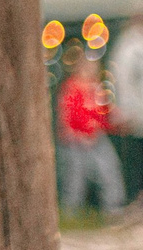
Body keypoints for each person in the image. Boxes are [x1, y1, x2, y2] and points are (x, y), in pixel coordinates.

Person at [60, 51, 126, 214]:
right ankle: (71, 211)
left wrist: (114, 119)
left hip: (96, 138)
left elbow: (104, 113)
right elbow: (67, 114)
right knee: (75, 178)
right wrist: (75, 132)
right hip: (77, 141)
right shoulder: (72, 87)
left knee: (109, 171)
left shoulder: (97, 87)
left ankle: (113, 209)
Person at [110, 11, 143, 202]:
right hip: (133, 115)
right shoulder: (129, 47)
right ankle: (134, 201)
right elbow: (122, 82)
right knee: (134, 161)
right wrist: (124, 111)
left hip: (137, 113)